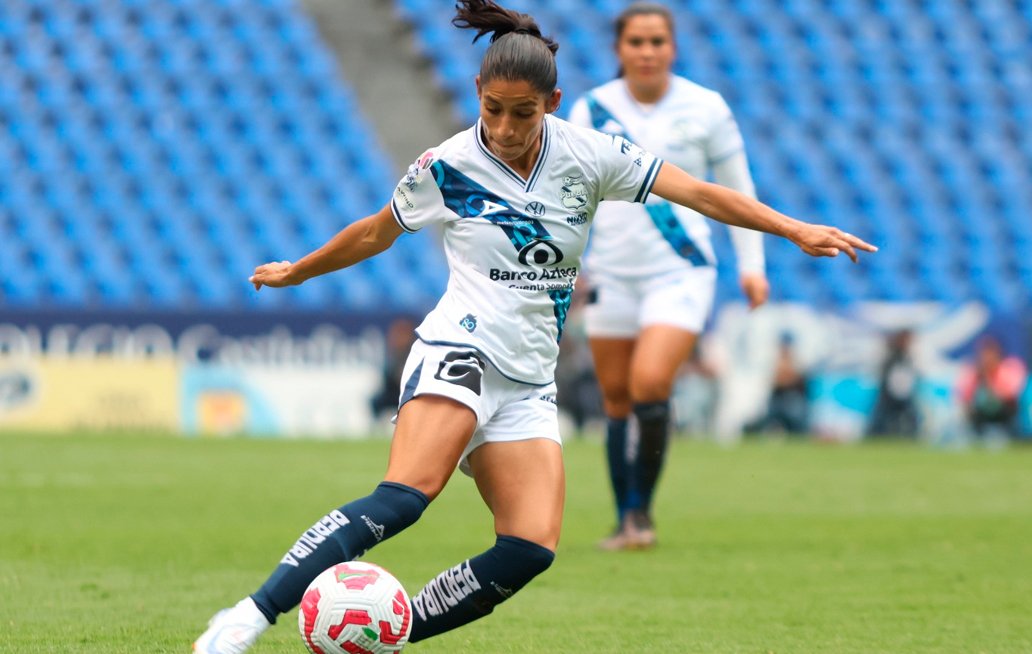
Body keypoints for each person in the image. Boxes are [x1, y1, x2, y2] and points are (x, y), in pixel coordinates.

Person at [193, 1, 875, 651]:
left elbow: (697, 191)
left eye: (523, 113)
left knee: (528, 548)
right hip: (459, 346)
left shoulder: (591, 154)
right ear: (477, 97)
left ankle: (386, 638)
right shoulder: (448, 166)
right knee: (405, 498)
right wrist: (298, 272)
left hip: (526, 377)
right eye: (493, 111)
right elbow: (376, 232)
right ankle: (250, 616)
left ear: (550, 103)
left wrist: (793, 229)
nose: (507, 128)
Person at [566, 2, 769, 551]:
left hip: (680, 269)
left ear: (673, 47)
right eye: (637, 42)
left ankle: (641, 514)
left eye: (658, 41)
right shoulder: (591, 110)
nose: (648, 51)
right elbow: (572, 194)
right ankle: (623, 518)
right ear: (619, 49)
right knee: (615, 400)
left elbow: (737, 188)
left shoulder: (706, 107)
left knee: (650, 383)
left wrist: (753, 266)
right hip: (612, 273)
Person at [956, 335, 1028, 442]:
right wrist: (979, 378)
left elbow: (1013, 394)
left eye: (989, 354)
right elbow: (963, 396)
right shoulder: (974, 372)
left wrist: (990, 383)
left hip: (1004, 413)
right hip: (980, 414)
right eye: (983, 355)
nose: (986, 359)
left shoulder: (1008, 369)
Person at [866, 329, 921, 438]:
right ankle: (875, 435)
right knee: (883, 416)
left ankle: (911, 436)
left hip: (902, 392)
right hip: (891, 393)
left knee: (909, 416)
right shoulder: (893, 356)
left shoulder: (905, 356)